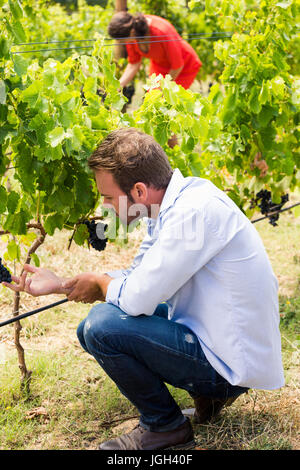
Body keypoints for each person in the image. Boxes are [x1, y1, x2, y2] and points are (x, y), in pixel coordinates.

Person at [5, 128, 285, 451]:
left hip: (232, 361)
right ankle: (207, 396)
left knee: (101, 327)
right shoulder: (170, 205)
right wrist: (61, 284)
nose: (105, 206)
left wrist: (99, 283)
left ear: (138, 191)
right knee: (93, 326)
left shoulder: (191, 215)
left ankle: (165, 426)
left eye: (109, 197)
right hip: (220, 339)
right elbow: (138, 277)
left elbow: (137, 298)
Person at [108, 12, 202, 91]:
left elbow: (177, 65)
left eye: (121, 40)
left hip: (184, 66)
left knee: (172, 103)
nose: (122, 43)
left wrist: (162, 89)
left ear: (131, 33)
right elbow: (134, 64)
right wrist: (118, 86)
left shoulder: (162, 31)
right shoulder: (131, 36)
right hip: (160, 66)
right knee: (153, 101)